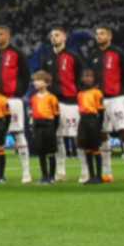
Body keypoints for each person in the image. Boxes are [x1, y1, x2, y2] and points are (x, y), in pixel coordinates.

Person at [0, 24, 33, 183]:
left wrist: (19, 93)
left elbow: (26, 75)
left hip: (13, 99)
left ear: (8, 36)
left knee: (18, 134)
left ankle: (26, 172)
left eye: (0, 34)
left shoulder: (17, 53)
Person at [92, 24, 124, 184]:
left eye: (102, 33)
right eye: (97, 34)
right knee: (102, 134)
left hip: (117, 98)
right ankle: (107, 172)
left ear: (109, 36)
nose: (99, 36)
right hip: (100, 100)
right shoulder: (94, 55)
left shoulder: (118, 53)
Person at [43, 25, 82, 181]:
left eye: (57, 35)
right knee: (57, 137)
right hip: (52, 102)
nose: (54, 38)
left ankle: (85, 170)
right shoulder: (46, 58)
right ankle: (60, 171)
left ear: (64, 37)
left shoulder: (73, 56)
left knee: (76, 136)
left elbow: (80, 78)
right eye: (52, 35)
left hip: (70, 101)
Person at [29, 70, 60, 184]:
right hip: (38, 125)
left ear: (46, 83)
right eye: (34, 80)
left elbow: (56, 115)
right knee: (41, 152)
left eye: (38, 80)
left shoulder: (52, 97)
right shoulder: (33, 98)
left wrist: (53, 128)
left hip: (49, 125)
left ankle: (51, 176)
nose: (35, 83)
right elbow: (33, 113)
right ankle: (44, 176)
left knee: (50, 152)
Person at [76, 69, 104, 185]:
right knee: (86, 148)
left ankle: (99, 176)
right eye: (85, 76)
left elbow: (101, 111)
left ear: (94, 78)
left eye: (90, 76)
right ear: (82, 78)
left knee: (95, 148)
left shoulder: (97, 93)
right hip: (83, 120)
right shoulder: (80, 94)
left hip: (93, 120)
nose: (87, 78)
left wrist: (99, 126)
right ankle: (91, 176)